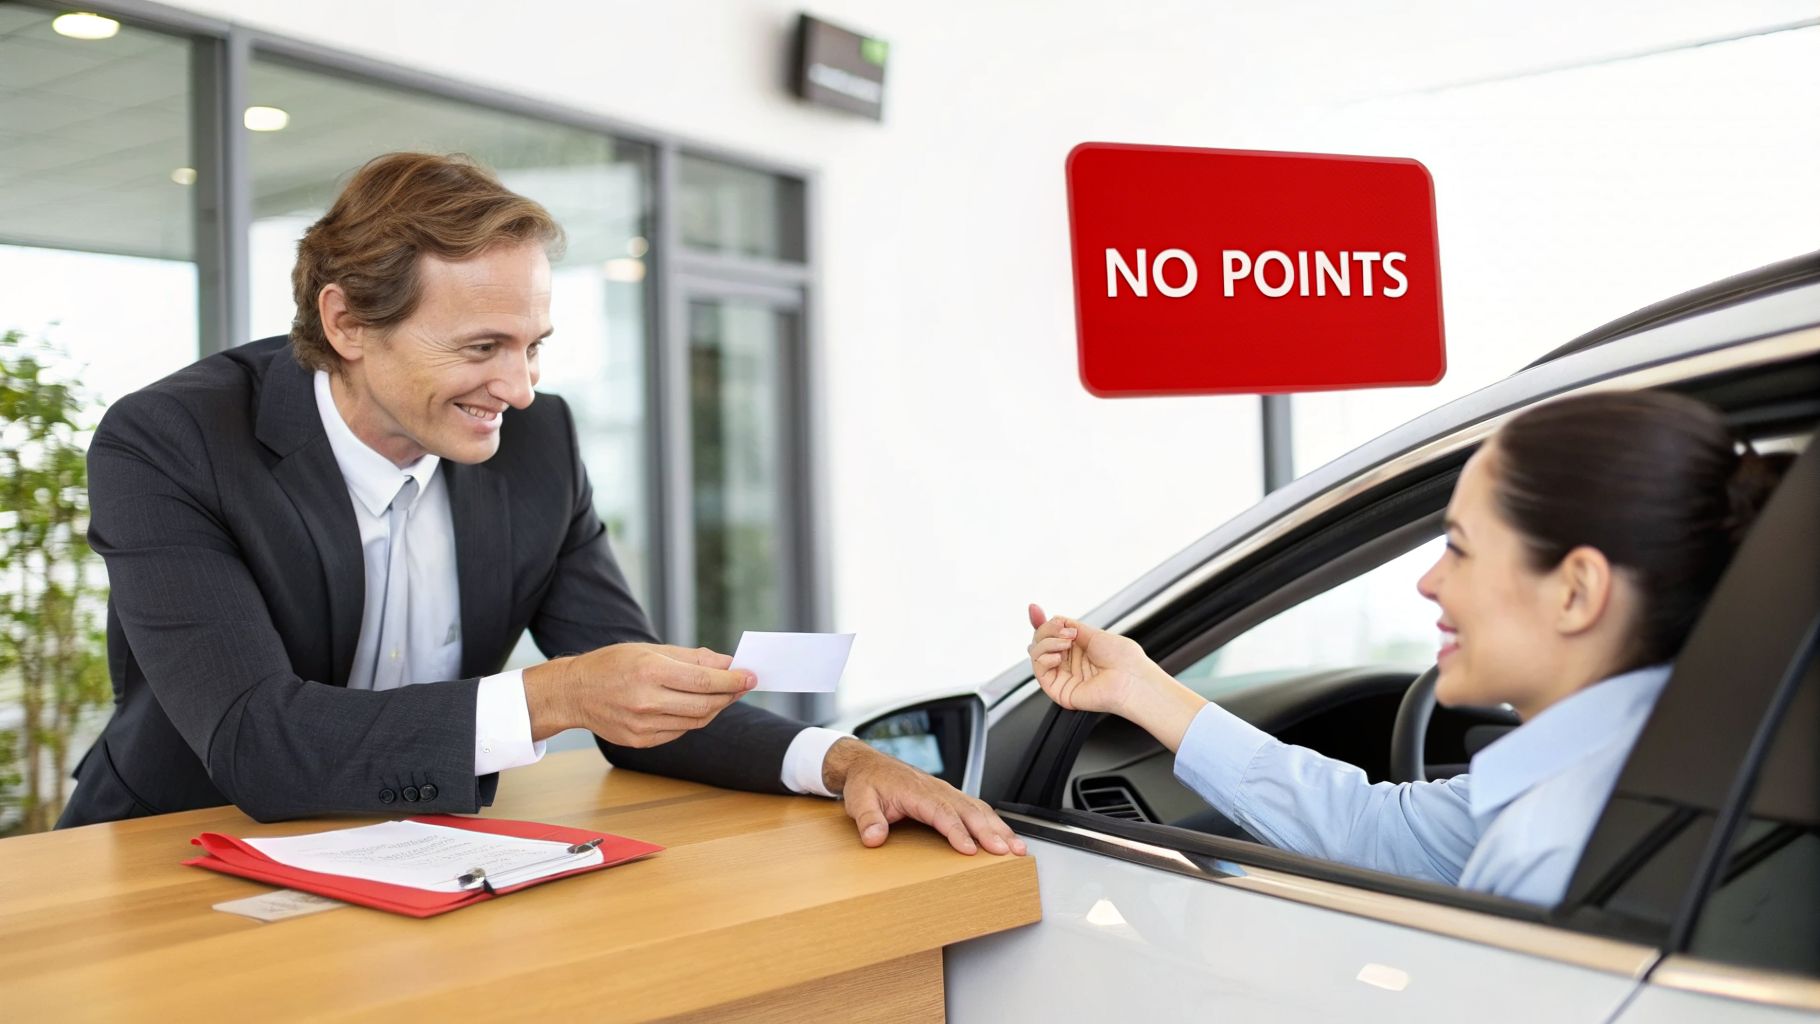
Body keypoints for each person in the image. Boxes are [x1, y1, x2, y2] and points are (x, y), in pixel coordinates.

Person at [60, 152, 1026, 860]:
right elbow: (257, 744)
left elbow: (631, 697)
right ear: (347, 321)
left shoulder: (539, 446)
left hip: (418, 855)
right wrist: (555, 694)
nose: (518, 389)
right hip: (177, 852)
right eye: (482, 348)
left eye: (535, 346)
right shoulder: (172, 444)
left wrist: (842, 761)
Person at [1027, 390, 1785, 904]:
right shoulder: (1678, 755)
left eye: (1458, 547)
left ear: (1576, 591)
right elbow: (1377, 831)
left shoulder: (1555, 851)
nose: (1429, 582)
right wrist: (1138, 688)